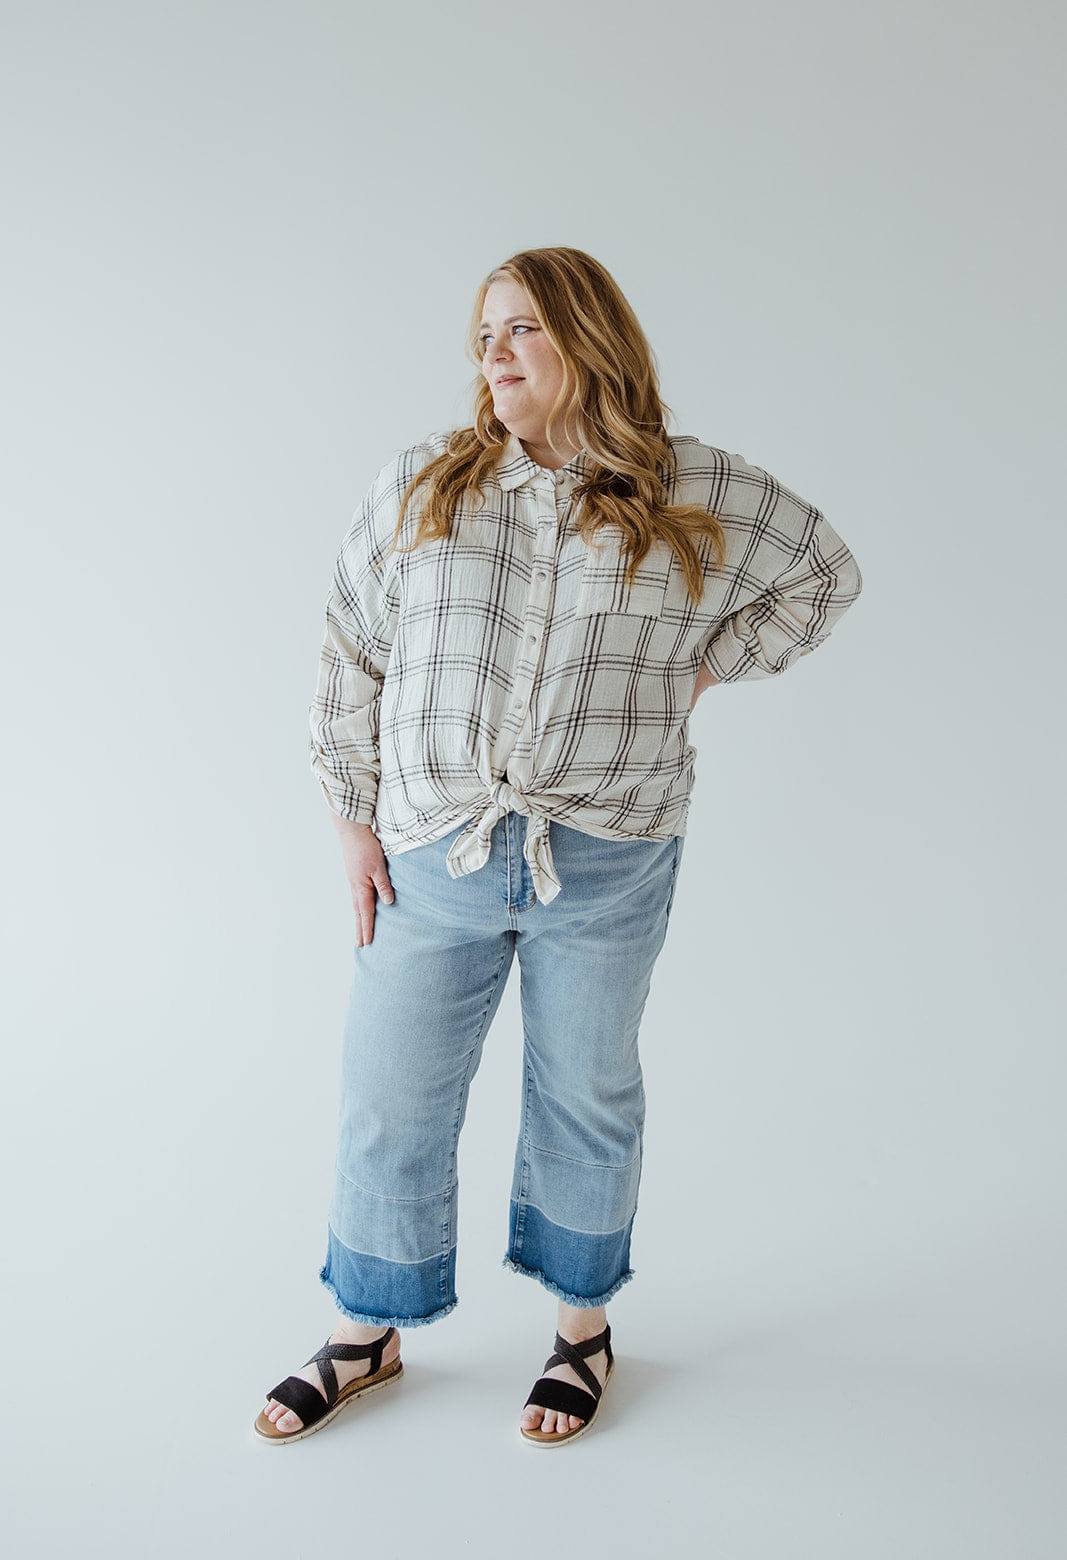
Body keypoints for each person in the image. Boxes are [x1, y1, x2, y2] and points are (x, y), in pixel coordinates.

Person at [253, 245, 863, 1448]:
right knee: (389, 1096)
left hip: (609, 854)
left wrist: (701, 664)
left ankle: (583, 1331)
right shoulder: (426, 483)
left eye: (521, 328)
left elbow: (822, 577)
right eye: (484, 331)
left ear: (587, 339)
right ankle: (367, 1327)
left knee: (585, 1091)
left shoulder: (695, 487)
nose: (493, 352)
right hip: (434, 853)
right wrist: (350, 820)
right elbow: (349, 646)